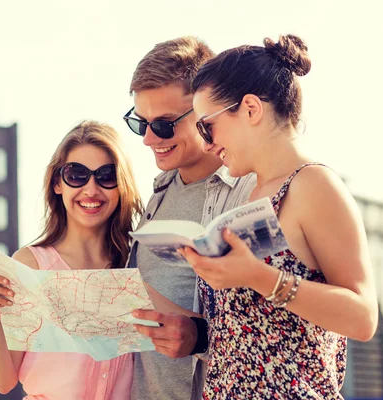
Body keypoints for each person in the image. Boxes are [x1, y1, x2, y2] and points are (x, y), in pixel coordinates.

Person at [177, 34, 378, 399]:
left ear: (251, 108)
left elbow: (363, 318)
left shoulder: (314, 185)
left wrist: (258, 276)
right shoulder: (252, 195)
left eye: (207, 126)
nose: (206, 144)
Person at [123, 37, 256, 400]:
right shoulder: (159, 192)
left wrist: (202, 337)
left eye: (164, 125)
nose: (150, 139)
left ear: (204, 110)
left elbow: (271, 328)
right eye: (141, 123)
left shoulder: (250, 193)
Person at [0, 121, 143, 399]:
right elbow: (3, 381)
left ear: (121, 184)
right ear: (57, 183)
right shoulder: (31, 265)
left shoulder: (136, 263)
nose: (91, 189)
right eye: (76, 174)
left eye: (106, 175)